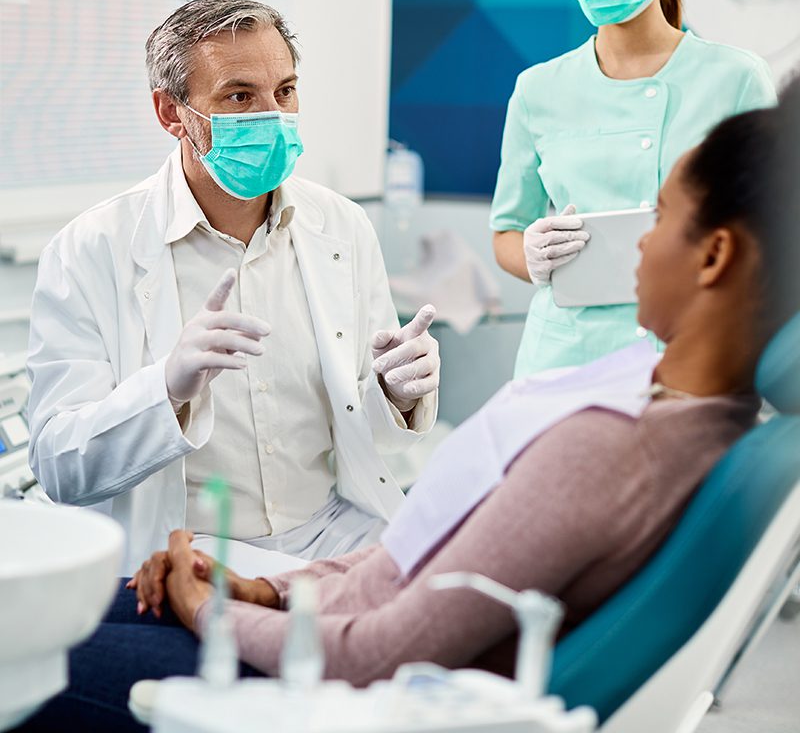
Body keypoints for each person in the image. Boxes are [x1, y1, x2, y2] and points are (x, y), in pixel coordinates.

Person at [20, 76, 800, 733]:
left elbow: (375, 654)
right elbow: (420, 562)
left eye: (659, 217)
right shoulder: (679, 414)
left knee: (23, 660)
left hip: (331, 689)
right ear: (172, 112)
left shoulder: (612, 446)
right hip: (305, 600)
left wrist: (205, 607)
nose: (637, 243)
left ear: (717, 253)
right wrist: (257, 585)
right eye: (239, 96)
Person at [25, 0, 440, 574]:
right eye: (239, 96)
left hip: (335, 536)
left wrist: (393, 396)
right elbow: (58, 466)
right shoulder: (90, 250)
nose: (273, 116)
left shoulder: (341, 226)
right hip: (190, 556)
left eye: (286, 91)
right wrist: (166, 390)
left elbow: (372, 441)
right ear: (172, 114)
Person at [490, 0, 776, 377]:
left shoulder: (736, 78)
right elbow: (506, 231)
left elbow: (772, 229)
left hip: (690, 354)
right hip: (564, 362)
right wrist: (530, 256)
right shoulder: (538, 89)